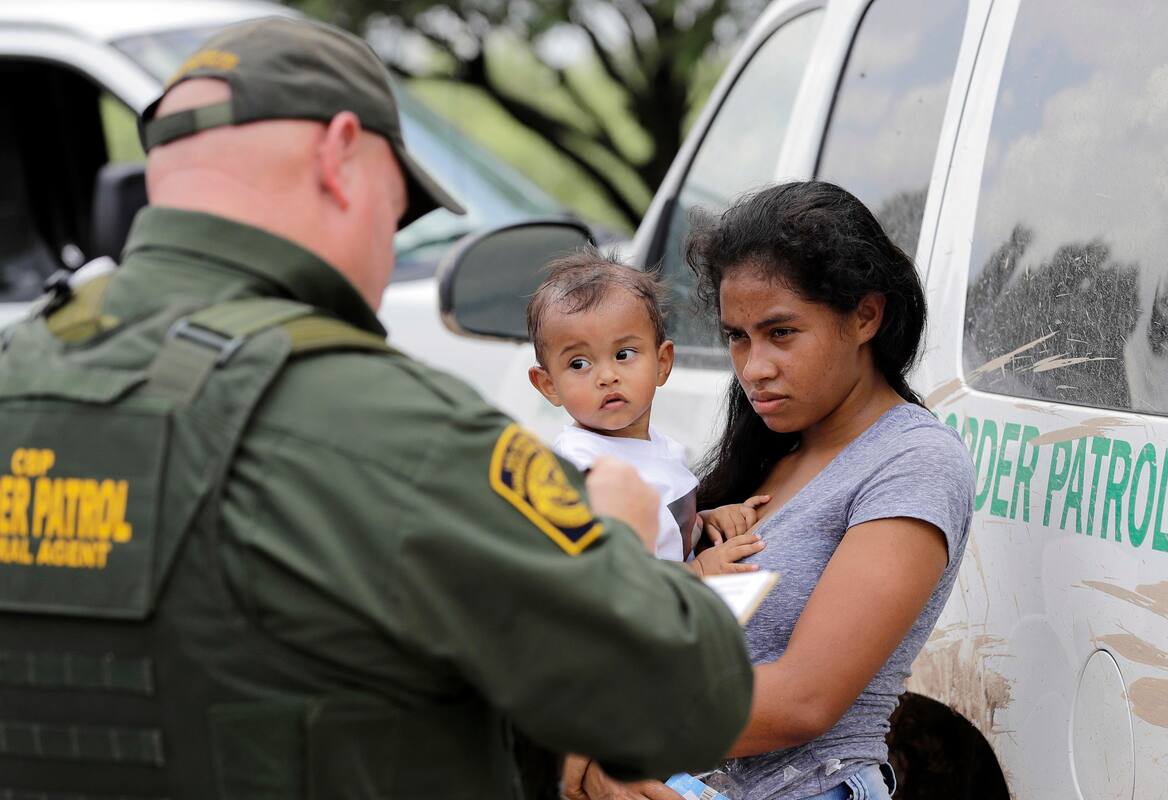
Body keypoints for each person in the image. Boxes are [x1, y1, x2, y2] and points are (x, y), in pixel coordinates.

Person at [0, 17, 754, 800]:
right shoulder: (390, 425)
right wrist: (620, 548)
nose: (388, 255)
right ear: (339, 156)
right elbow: (692, 700)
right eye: (395, 212)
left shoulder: (17, 373)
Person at [570, 182, 974, 800]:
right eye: (738, 336)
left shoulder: (912, 461)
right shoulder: (763, 454)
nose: (754, 367)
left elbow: (803, 700)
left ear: (866, 315)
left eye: (781, 332)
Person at [525, 249, 769, 576]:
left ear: (662, 363)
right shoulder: (583, 470)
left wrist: (704, 522)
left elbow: (661, 532)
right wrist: (698, 570)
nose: (606, 376)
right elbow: (615, 576)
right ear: (548, 384)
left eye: (623, 354)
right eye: (579, 363)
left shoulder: (658, 447)